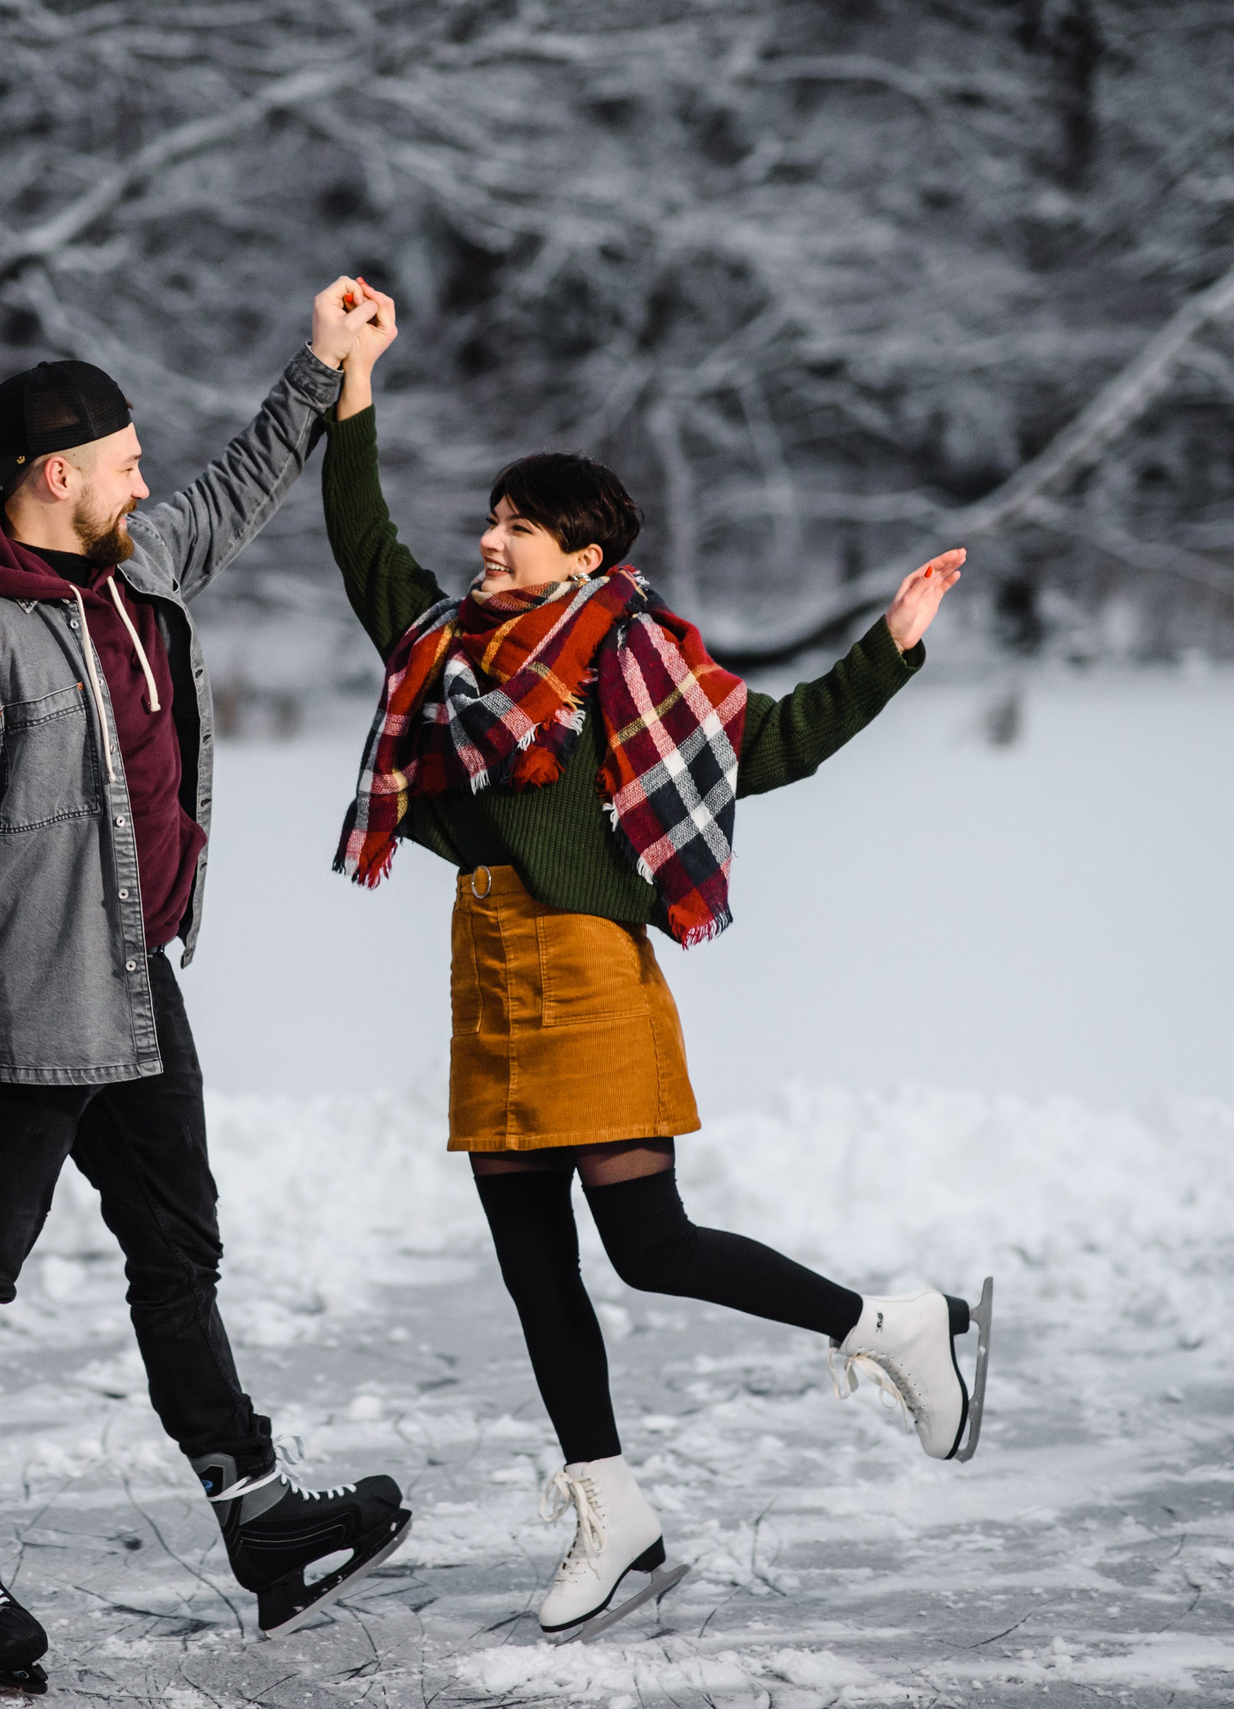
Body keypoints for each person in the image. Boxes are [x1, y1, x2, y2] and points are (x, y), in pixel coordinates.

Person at [319, 282, 993, 1645]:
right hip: (488, 965)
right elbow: (363, 544)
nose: (491, 542)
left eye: (521, 527)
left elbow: (776, 742)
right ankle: (610, 1505)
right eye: (491, 522)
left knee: (649, 1242)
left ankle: (886, 1320)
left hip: (588, 968)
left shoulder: (629, 653)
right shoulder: (444, 649)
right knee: (531, 1268)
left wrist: (894, 647)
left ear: (582, 552)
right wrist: (355, 380)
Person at [0, 279, 414, 1689]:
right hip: (27, 1010)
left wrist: (322, 365)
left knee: (180, 1252)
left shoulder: (139, 566)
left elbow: (239, 485)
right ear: (57, 476)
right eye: (122, 460)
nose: (145, 477)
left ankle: (260, 1516)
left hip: (138, 981)